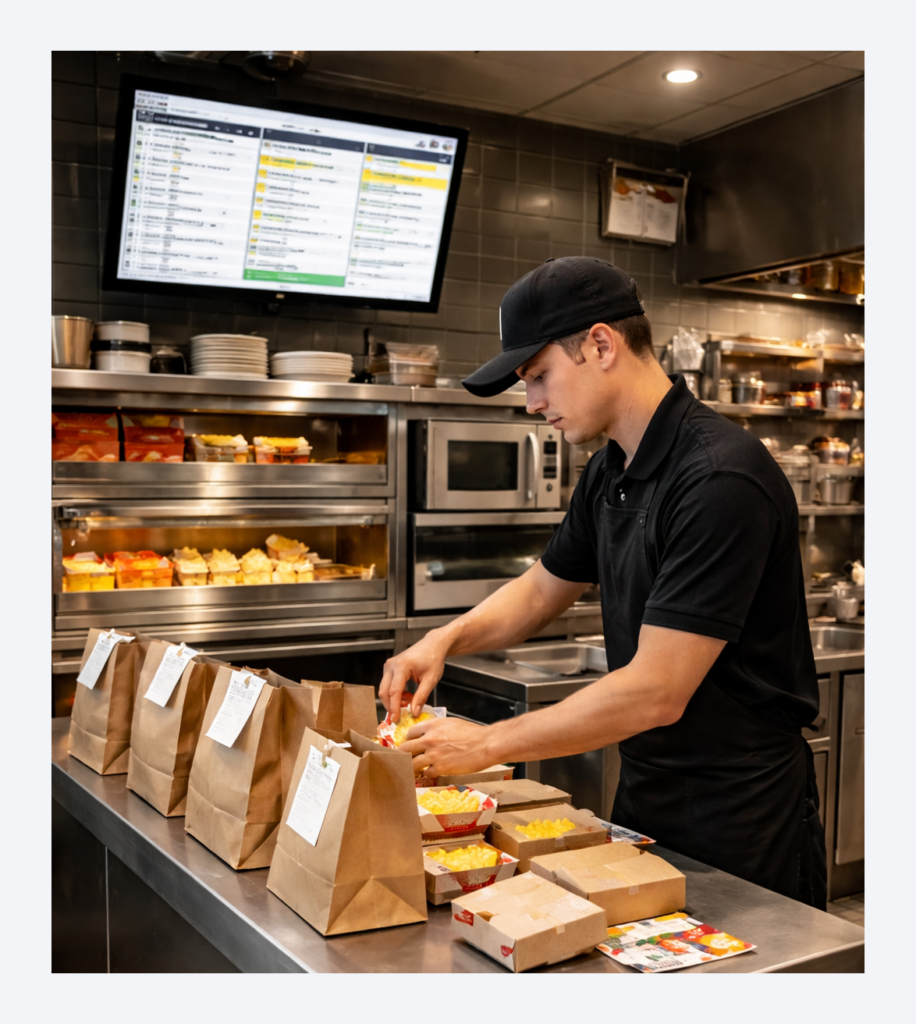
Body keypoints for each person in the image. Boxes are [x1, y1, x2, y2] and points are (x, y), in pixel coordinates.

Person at [380, 256, 827, 908]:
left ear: (600, 344)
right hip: (648, 789)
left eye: (538, 378)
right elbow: (540, 590)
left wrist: (484, 744)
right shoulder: (611, 470)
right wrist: (443, 640)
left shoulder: (718, 479)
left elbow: (656, 691)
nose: (532, 404)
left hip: (741, 814)